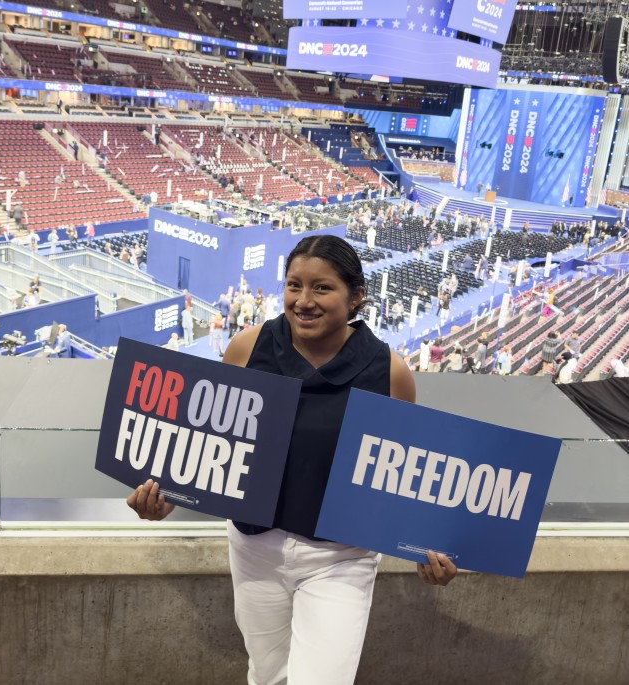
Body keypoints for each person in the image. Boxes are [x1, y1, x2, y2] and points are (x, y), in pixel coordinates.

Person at [127, 236, 456, 683]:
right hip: (254, 548)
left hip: (340, 557)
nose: (303, 301)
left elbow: (399, 475)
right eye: (293, 285)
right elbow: (210, 445)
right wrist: (169, 495)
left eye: (321, 288)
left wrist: (424, 546)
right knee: (267, 675)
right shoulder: (245, 349)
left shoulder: (390, 372)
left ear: (356, 295)